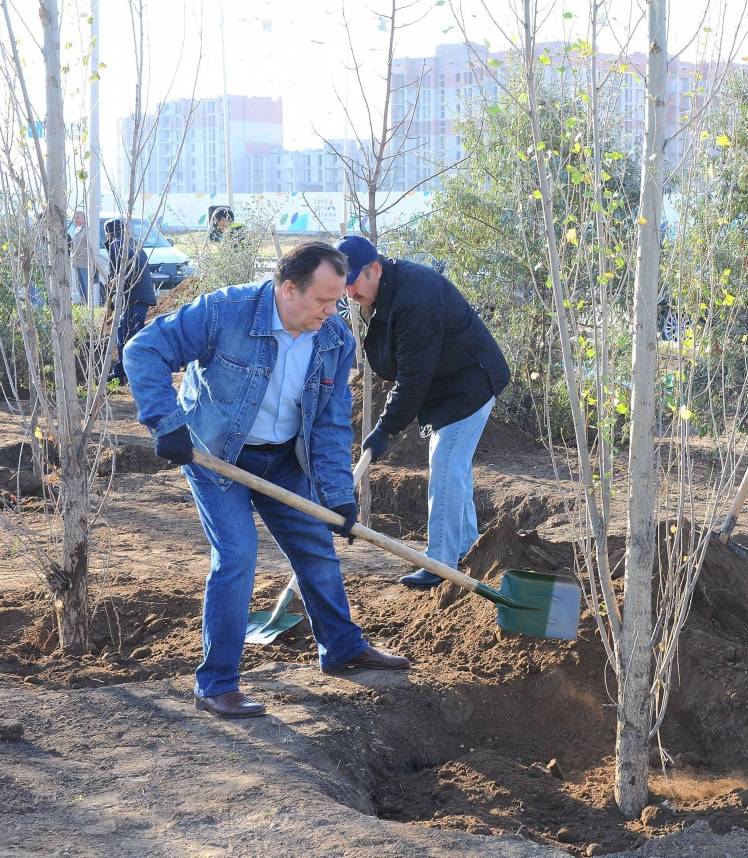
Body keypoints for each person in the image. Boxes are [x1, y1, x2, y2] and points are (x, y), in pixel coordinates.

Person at [122, 241, 409, 719]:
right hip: (218, 458)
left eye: (338, 299)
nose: (331, 311)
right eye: (322, 300)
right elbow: (143, 350)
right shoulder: (225, 312)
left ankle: (342, 649)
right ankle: (217, 684)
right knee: (237, 555)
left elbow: (331, 422)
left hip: (284, 460)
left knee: (316, 547)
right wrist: (166, 421)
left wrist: (338, 494)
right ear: (288, 289)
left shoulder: (334, 339)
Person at [334, 236, 511, 588]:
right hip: (446, 388)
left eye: (353, 282)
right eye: (344, 285)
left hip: (471, 383)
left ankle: (441, 562)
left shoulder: (415, 297)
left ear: (376, 269)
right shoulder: (387, 293)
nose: (350, 293)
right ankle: (466, 548)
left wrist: (386, 428)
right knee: (452, 467)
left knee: (446, 465)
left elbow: (414, 376)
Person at [103, 219, 157, 385]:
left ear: (109, 232)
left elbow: (117, 276)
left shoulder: (116, 245)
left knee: (125, 335)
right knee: (132, 334)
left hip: (134, 296)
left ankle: (126, 374)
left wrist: (110, 304)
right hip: (142, 296)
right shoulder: (133, 243)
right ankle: (127, 371)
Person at [69, 211, 91, 304]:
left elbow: (90, 246)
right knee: (80, 288)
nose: (75, 220)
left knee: (86, 288)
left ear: (84, 218)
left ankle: (89, 305)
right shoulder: (76, 229)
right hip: (77, 263)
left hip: (85, 264)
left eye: (77, 218)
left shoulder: (87, 230)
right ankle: (84, 305)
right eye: (74, 218)